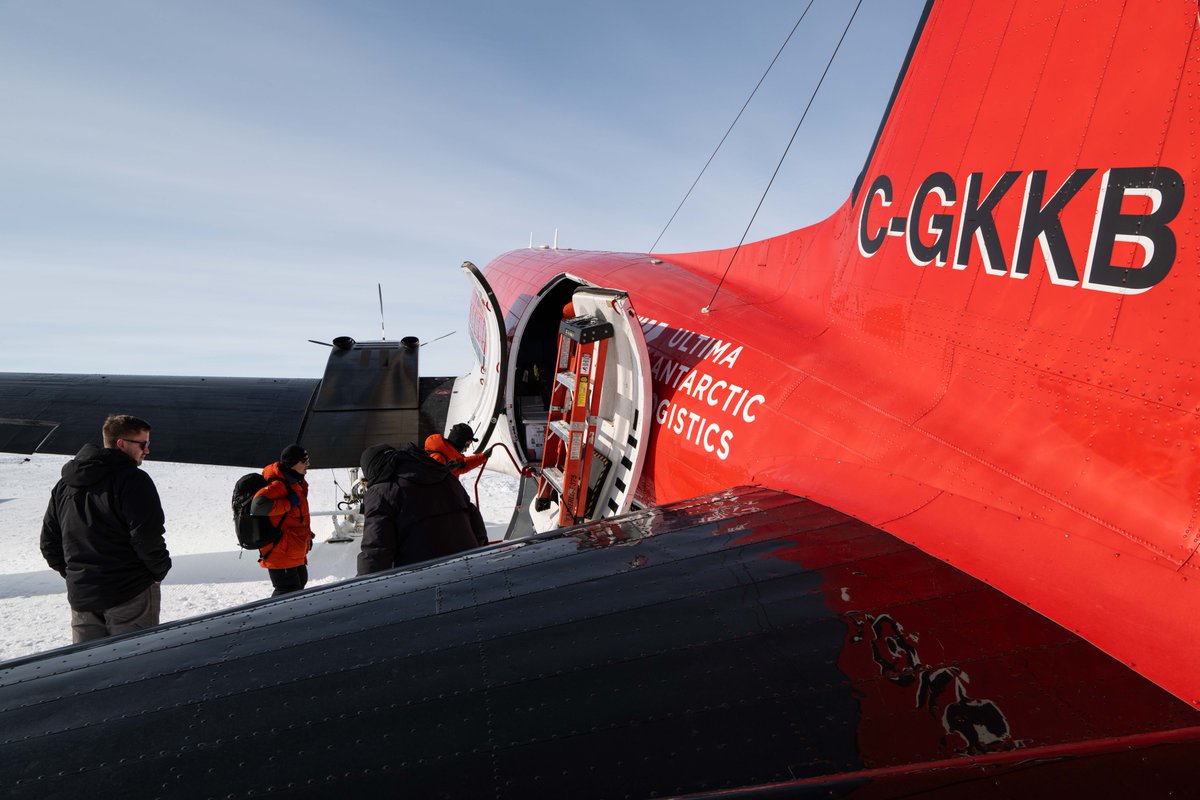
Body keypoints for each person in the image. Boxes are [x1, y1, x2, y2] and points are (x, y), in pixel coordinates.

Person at [41, 414, 171, 643]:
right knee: (135, 660)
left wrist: (77, 576)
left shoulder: (65, 485)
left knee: (90, 663)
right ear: (121, 443)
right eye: (143, 444)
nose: (147, 450)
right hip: (130, 594)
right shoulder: (133, 480)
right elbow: (147, 537)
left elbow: (49, 543)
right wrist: (157, 572)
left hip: (83, 597)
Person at [357, 442, 488, 575]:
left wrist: (363, 584)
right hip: (473, 569)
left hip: (426, 579)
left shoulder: (381, 493)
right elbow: (476, 523)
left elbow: (376, 552)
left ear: (371, 471)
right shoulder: (444, 475)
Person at [251, 444, 315, 596]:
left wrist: (307, 537)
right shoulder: (279, 485)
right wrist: (288, 503)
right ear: (293, 463)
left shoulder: (296, 483)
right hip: (280, 552)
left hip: (294, 549)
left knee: (299, 584)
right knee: (287, 591)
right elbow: (257, 506)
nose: (308, 465)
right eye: (304, 461)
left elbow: (297, 518)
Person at [424, 422, 492, 476]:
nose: (466, 449)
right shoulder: (439, 459)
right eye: (467, 445)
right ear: (460, 442)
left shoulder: (448, 456)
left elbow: (464, 464)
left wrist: (483, 456)